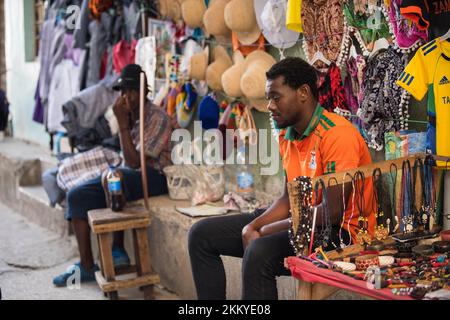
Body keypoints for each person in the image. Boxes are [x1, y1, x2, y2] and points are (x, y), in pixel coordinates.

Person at [188, 57, 376, 300]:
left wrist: (265, 230)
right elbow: (288, 199)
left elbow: (332, 213)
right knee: (201, 235)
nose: (270, 106)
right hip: (302, 221)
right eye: (268, 98)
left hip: (341, 233)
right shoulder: (288, 134)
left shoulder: (336, 134)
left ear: (303, 93)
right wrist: (253, 227)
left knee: (259, 251)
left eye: (276, 97)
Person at [53, 64, 172, 287]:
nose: (126, 97)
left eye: (132, 91)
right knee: (77, 195)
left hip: (155, 177)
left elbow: (137, 162)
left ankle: (118, 248)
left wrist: (123, 125)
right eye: (123, 92)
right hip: (129, 174)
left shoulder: (158, 117)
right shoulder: (129, 116)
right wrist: (123, 123)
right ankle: (86, 265)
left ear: (144, 91)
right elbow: (127, 160)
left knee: (115, 177)